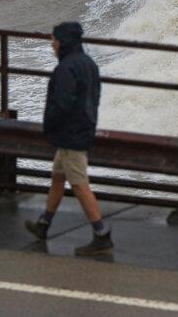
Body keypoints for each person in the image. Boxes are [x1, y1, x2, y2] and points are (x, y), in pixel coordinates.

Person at [25, 21, 113, 256]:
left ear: (63, 41)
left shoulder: (66, 68)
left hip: (70, 134)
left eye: (54, 39)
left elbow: (62, 104)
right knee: (57, 176)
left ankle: (102, 234)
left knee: (78, 183)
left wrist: (49, 126)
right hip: (83, 127)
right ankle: (44, 224)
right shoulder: (88, 64)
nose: (52, 44)